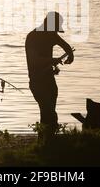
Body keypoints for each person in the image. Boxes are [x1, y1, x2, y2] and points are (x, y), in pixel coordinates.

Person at [25, 12, 74, 141]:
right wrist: (52, 60)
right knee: (48, 111)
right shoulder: (32, 37)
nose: (55, 32)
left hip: (49, 80)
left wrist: (70, 55)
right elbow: (34, 60)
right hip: (37, 81)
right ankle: (46, 140)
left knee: (49, 112)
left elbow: (67, 47)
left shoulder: (52, 35)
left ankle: (46, 141)